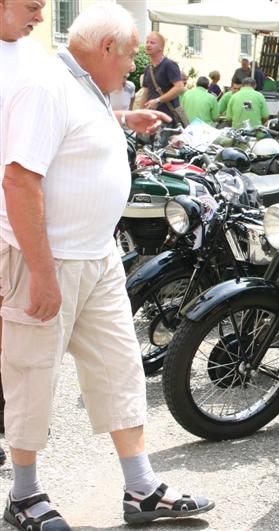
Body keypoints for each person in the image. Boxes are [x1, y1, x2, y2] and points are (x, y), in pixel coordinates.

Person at [0, 3, 215, 528]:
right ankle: (24, 496)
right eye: (129, 57)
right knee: (32, 376)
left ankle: (142, 489)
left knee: (120, 370)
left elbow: (72, 137)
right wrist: (43, 271)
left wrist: (122, 118)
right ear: (105, 49)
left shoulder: (83, 85)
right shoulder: (46, 85)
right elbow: (19, 180)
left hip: (97, 257)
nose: (134, 69)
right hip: (49, 261)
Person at [0, 0, 52, 470]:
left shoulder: (35, 58)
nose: (40, 16)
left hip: (10, 222)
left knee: (8, 338)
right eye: (33, 5)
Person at [141, 31, 185, 126]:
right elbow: (145, 93)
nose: (148, 45)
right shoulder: (148, 69)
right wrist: (141, 114)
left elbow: (180, 87)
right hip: (152, 118)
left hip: (168, 119)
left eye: (152, 43)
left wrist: (158, 101)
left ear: (161, 47)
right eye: (147, 42)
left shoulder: (169, 65)